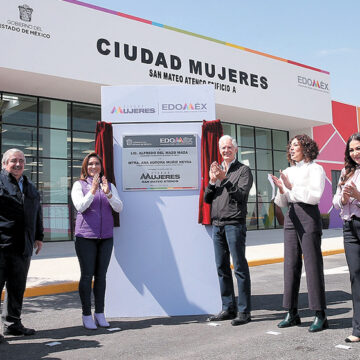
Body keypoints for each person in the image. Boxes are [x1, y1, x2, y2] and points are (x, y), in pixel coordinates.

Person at [271, 134, 327, 332]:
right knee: (290, 265)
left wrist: (291, 187)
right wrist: (280, 189)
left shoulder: (316, 168)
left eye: (296, 145)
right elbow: (283, 202)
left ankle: (320, 313)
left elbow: (314, 196)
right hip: (291, 215)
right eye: (291, 145)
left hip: (308, 214)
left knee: (312, 265)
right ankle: (291, 312)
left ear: (306, 147)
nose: (292, 149)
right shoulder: (288, 170)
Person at [204, 135, 253, 326]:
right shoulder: (218, 170)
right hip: (218, 225)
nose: (226, 151)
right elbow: (208, 200)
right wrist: (211, 180)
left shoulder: (243, 170)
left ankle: (244, 311)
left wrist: (224, 180)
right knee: (221, 268)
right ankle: (228, 308)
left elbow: (240, 196)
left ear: (236, 149)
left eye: (229, 147)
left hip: (234, 224)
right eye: (223, 148)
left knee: (239, 268)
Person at [71, 152, 123, 330]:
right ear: (85, 167)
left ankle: (100, 313)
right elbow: (80, 206)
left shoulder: (108, 185)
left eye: (97, 164)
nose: (94, 167)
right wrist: (92, 191)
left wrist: (107, 193)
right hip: (85, 237)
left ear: (101, 167)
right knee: (87, 276)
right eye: (90, 164)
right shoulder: (79, 185)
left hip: (106, 237)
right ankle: (86, 314)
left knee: (101, 277)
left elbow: (119, 207)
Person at [0, 149, 43, 342]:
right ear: (4, 164)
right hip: (2, 245)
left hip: (22, 246)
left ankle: (13, 324)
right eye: (13, 161)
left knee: (17, 288)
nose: (18, 164)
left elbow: (37, 212)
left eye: (21, 161)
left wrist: (39, 236)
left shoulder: (29, 185)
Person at [333, 132, 360, 343]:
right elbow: (335, 202)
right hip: (349, 228)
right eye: (351, 149)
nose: (355, 153)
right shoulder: (346, 171)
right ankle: (358, 330)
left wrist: (358, 196)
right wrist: (342, 197)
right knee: (355, 277)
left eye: (358, 148)